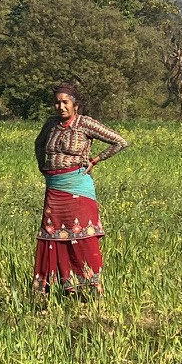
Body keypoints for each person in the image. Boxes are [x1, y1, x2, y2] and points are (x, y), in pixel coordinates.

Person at [33, 82, 127, 298]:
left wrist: (95, 159)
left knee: (83, 236)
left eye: (65, 102)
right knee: (53, 237)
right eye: (57, 103)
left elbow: (119, 142)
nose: (60, 107)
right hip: (54, 189)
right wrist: (42, 165)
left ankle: (92, 288)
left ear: (75, 104)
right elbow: (39, 144)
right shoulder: (51, 124)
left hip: (77, 188)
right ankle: (62, 288)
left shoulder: (85, 124)